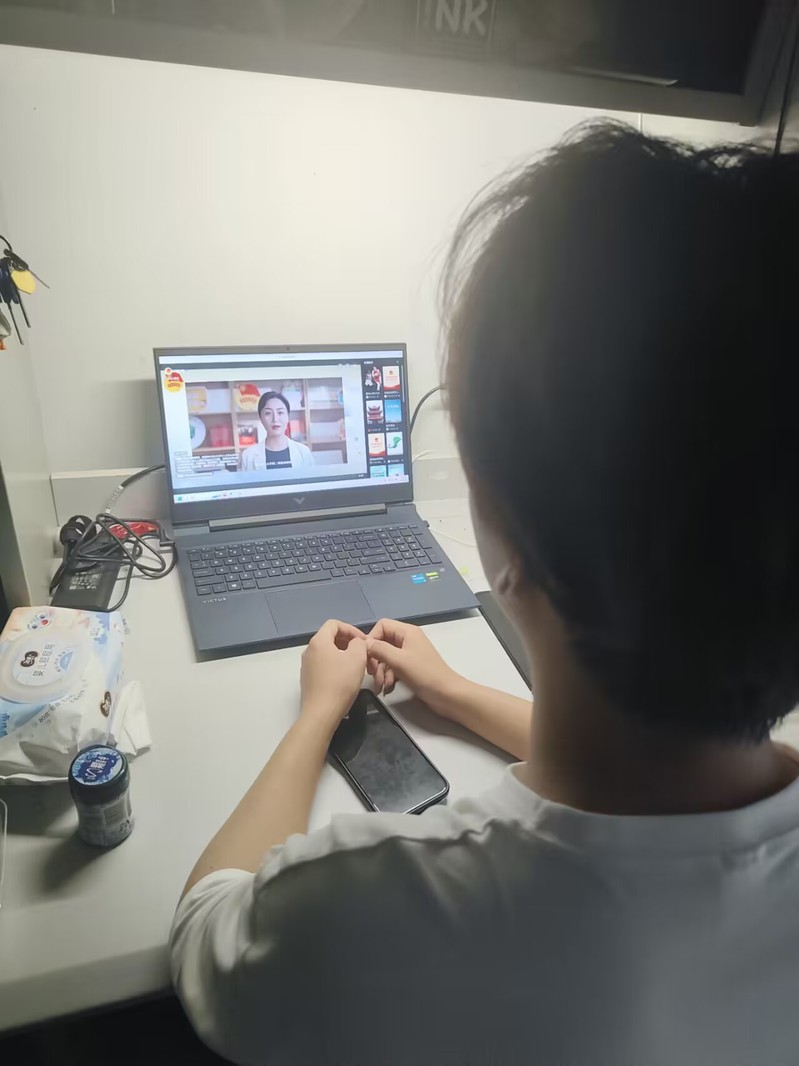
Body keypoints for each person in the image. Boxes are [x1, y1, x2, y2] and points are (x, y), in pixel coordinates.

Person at [170, 123, 799, 1065]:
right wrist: (457, 692)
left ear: (503, 534)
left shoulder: (362, 911)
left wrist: (317, 716)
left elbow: (206, 926)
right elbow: (646, 777)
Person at [239, 390, 314, 471]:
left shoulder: (303, 452)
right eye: (268, 413)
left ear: (287, 417)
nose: (275, 419)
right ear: (261, 418)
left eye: (280, 412)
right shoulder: (248, 456)